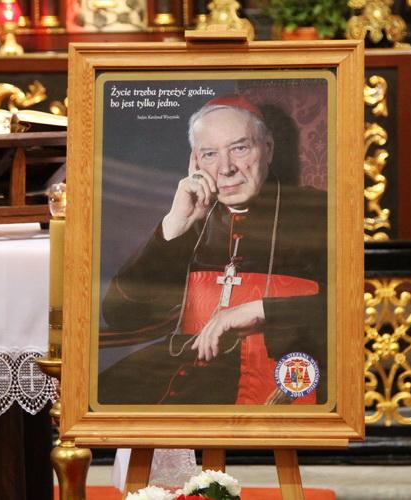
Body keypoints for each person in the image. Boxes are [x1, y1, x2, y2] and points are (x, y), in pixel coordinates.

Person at [98, 95, 327, 405]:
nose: (226, 168)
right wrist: (174, 226)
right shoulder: (192, 217)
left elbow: (351, 307)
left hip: (281, 370)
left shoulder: (318, 211)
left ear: (268, 148)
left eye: (240, 148)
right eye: (209, 154)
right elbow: (121, 316)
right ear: (196, 162)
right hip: (184, 370)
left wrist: (258, 310)